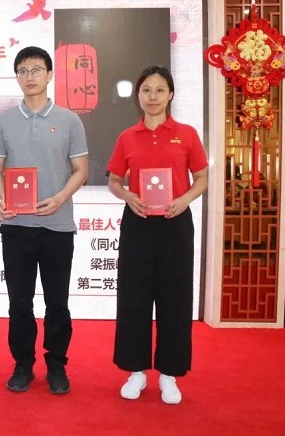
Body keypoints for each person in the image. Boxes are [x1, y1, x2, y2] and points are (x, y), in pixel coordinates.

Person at [0, 46, 88, 395]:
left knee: (57, 302)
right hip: (17, 227)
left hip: (57, 225)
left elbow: (81, 169)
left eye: (36, 69)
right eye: (23, 70)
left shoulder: (70, 120)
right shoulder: (4, 121)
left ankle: (57, 365)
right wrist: (5, 198)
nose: (29, 76)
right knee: (19, 303)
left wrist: (60, 198)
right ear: (17, 76)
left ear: (49, 74)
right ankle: (23, 365)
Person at [106, 65, 208, 404]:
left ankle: (169, 374)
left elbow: (202, 178)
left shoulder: (186, 134)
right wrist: (127, 196)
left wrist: (185, 199)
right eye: (146, 90)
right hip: (138, 223)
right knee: (133, 297)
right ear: (138, 96)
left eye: (160, 90)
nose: (153, 96)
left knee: (174, 298)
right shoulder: (127, 137)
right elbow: (114, 181)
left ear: (170, 94)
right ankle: (135, 371)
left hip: (175, 223)